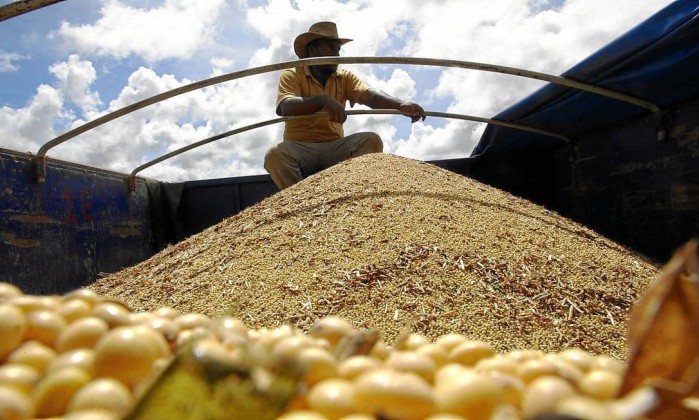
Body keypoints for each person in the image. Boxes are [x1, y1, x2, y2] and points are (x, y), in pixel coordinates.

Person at [264, 21, 426, 190]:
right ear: (312, 51)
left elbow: (369, 96)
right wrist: (322, 101)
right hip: (300, 149)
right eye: (330, 47)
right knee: (274, 154)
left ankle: (349, 195)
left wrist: (400, 104)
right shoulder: (292, 74)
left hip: (334, 146)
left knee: (371, 140)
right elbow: (286, 106)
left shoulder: (344, 77)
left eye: (338, 49)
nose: (336, 54)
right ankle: (298, 199)